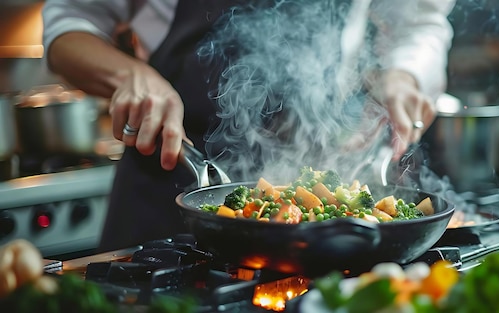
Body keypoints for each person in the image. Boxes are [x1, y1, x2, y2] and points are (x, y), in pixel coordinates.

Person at [42, 0, 456, 252]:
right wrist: (131, 76)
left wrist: (405, 74)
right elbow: (69, 25)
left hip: (316, 160)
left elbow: (418, 23)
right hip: (171, 170)